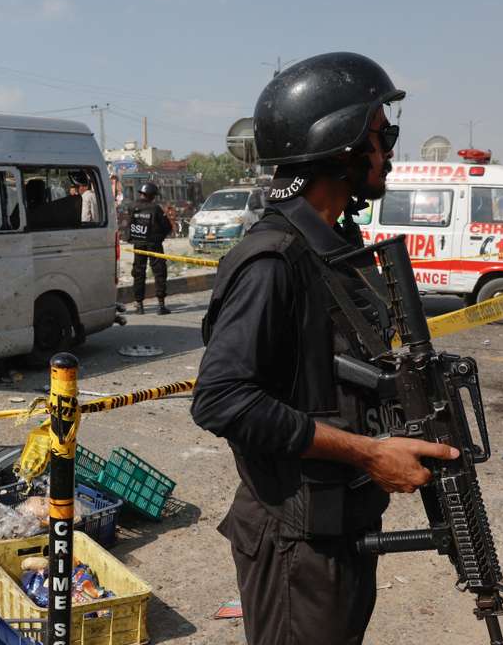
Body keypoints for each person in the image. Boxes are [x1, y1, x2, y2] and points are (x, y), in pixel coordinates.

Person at [190, 52, 460, 645]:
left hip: (338, 529)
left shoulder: (336, 247)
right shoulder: (274, 260)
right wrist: (368, 453)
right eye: (379, 135)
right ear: (337, 145)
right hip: (297, 544)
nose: (388, 150)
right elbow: (221, 400)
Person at [127, 182, 173, 315]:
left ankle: (139, 305)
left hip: (139, 245)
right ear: (151, 195)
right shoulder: (155, 209)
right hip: (154, 245)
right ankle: (161, 305)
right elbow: (167, 227)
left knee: (138, 273)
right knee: (159, 273)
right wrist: (160, 237)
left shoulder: (132, 207)